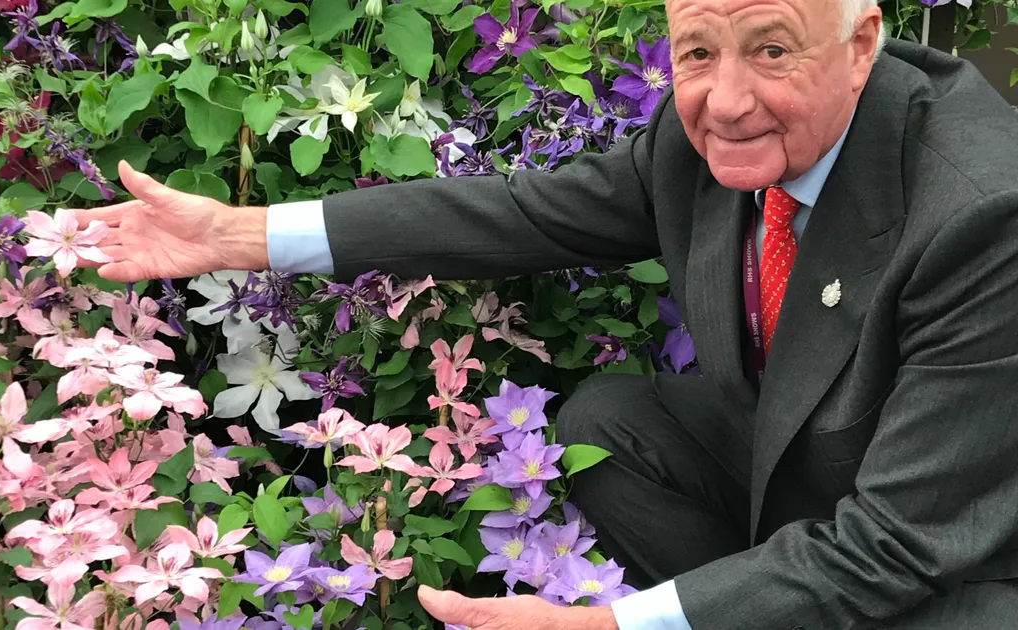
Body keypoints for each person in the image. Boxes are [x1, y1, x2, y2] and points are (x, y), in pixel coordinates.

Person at [74, 0, 1018, 625]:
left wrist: (613, 623)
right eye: (697, 51)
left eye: (772, 50)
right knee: (608, 423)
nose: (726, 102)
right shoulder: (704, 132)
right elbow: (522, 211)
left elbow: (897, 540)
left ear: (862, 45)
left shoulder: (981, 213)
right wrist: (237, 234)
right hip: (818, 482)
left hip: (951, 551)